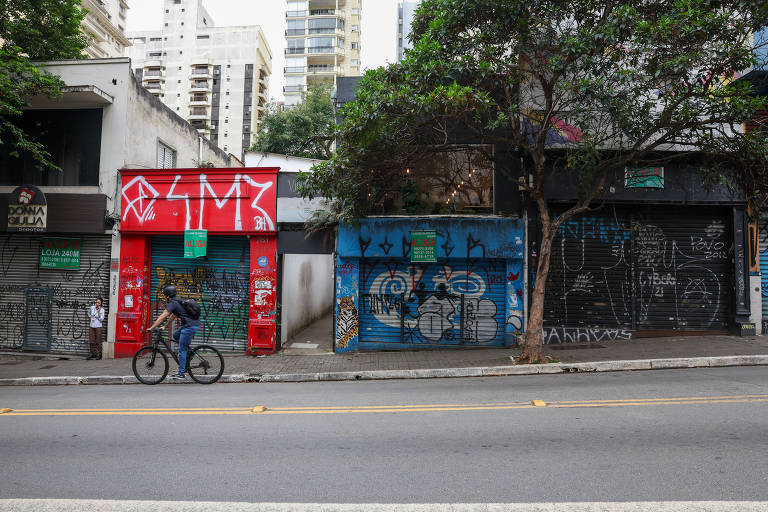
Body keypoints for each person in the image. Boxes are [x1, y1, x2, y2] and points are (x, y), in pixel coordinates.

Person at [147, 285, 201, 380]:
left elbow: (162, 316)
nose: (164, 298)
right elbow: (172, 316)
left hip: (190, 326)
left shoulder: (173, 303)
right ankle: (187, 354)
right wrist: (164, 326)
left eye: (165, 296)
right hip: (190, 325)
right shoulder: (177, 301)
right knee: (175, 335)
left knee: (182, 349)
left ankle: (181, 373)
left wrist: (152, 328)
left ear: (168, 296)